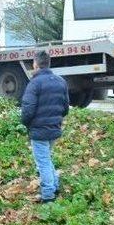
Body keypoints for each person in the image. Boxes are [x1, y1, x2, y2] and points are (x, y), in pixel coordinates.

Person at [21, 51, 69, 203]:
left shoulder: (34, 83)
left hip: (38, 130)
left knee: (42, 162)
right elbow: (65, 108)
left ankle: (48, 194)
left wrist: (26, 124)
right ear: (48, 63)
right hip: (54, 128)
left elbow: (28, 110)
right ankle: (54, 185)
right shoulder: (61, 81)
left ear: (35, 64)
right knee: (46, 159)